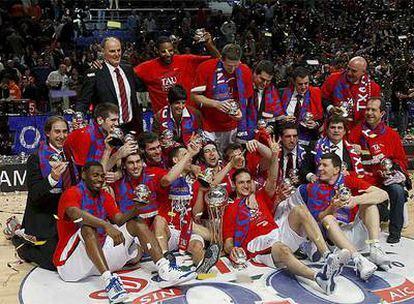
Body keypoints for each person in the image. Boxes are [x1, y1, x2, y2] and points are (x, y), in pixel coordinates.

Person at [53, 162, 196, 303]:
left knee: (136, 222)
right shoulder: (73, 192)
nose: (99, 179)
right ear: (84, 175)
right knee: (88, 228)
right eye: (95, 175)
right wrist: (106, 225)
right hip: (73, 264)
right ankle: (109, 282)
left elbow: (119, 219)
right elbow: (74, 213)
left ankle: (164, 269)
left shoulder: (104, 194)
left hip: (101, 257)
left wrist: (136, 209)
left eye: (102, 176)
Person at [222, 138, 350, 295]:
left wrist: (275, 155)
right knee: (282, 249)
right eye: (241, 182)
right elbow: (228, 240)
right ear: (234, 185)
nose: (246, 185)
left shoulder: (260, 196)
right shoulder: (231, 207)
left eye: (248, 182)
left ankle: (327, 255)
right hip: (256, 244)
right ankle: (318, 277)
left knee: (300, 209)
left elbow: (272, 179)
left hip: (277, 232)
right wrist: (232, 249)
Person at [298, 153, 391, 279]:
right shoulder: (314, 187)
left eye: (324, 165)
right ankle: (359, 261)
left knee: (370, 204)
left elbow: (383, 194)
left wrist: (356, 200)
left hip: (355, 232)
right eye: (319, 164)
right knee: (328, 218)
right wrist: (332, 208)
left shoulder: (349, 180)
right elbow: (316, 219)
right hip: (335, 240)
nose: (320, 168)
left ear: (336, 169)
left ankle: (375, 247)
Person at [11, 116, 77, 270]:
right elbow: (35, 194)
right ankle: (23, 246)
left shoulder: (72, 155)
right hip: (45, 214)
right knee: (55, 262)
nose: (62, 136)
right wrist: (52, 178)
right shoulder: (35, 158)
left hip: (69, 211)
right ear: (48, 133)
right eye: (57, 132)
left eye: (65, 131)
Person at [349, 97, 410, 243]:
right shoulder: (356, 132)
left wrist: (392, 169)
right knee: (377, 212)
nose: (369, 113)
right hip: (364, 180)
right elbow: (348, 159)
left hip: (384, 179)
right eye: (367, 109)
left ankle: (395, 232)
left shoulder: (392, 134)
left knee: (397, 190)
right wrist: (352, 150)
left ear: (382, 113)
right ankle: (382, 214)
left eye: (373, 110)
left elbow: (401, 160)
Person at [154, 143, 220, 274]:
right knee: (159, 219)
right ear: (175, 160)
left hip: (187, 228)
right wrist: (190, 153)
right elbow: (167, 180)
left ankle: (203, 266)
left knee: (200, 245)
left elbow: (196, 213)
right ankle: (165, 258)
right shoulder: (163, 174)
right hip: (168, 231)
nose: (190, 158)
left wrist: (201, 191)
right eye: (185, 155)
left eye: (190, 156)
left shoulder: (194, 182)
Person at [134, 35, 220, 113]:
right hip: (164, 120)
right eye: (163, 51)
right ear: (156, 50)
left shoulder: (186, 60)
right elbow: (127, 74)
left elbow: (217, 60)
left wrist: (209, 45)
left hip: (189, 116)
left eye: (171, 50)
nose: (168, 54)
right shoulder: (146, 67)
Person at [191, 43, 254, 151]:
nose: (232, 69)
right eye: (229, 66)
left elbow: (246, 100)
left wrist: (239, 112)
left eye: (236, 65)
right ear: (221, 59)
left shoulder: (245, 71)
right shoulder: (206, 67)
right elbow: (195, 96)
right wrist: (216, 104)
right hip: (209, 126)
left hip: (234, 127)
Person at [76, 37, 143, 133]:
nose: (117, 54)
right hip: (107, 131)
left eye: (119, 50)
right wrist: (78, 117)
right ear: (103, 52)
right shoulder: (95, 73)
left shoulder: (128, 69)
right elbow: (83, 101)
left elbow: (141, 86)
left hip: (132, 127)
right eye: (112, 51)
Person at [302, 116, 365, 183]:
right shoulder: (315, 146)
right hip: (320, 186)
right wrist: (311, 176)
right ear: (327, 130)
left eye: (339, 128)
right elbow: (304, 168)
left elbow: (358, 173)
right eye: (333, 127)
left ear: (344, 131)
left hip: (345, 188)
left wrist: (349, 173)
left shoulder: (352, 150)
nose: (336, 131)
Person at [321, 56, 381, 126]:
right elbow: (322, 98)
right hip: (337, 126)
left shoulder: (373, 88)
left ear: (363, 72)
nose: (349, 73)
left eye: (354, 71)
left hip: (360, 128)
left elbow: (375, 110)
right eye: (348, 69)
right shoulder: (334, 79)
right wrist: (330, 108)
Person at [280, 66, 323, 145]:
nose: (303, 87)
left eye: (306, 83)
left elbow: (321, 118)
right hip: (286, 138)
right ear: (293, 82)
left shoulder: (316, 93)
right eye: (300, 84)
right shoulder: (282, 94)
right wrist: (282, 118)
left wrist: (316, 124)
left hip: (308, 139)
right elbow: (275, 116)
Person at [245, 60, 283, 140]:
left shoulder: (272, 91)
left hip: (263, 136)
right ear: (255, 73)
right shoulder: (244, 86)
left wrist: (270, 128)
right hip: (243, 134)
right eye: (262, 79)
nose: (265, 84)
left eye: (268, 81)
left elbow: (274, 116)